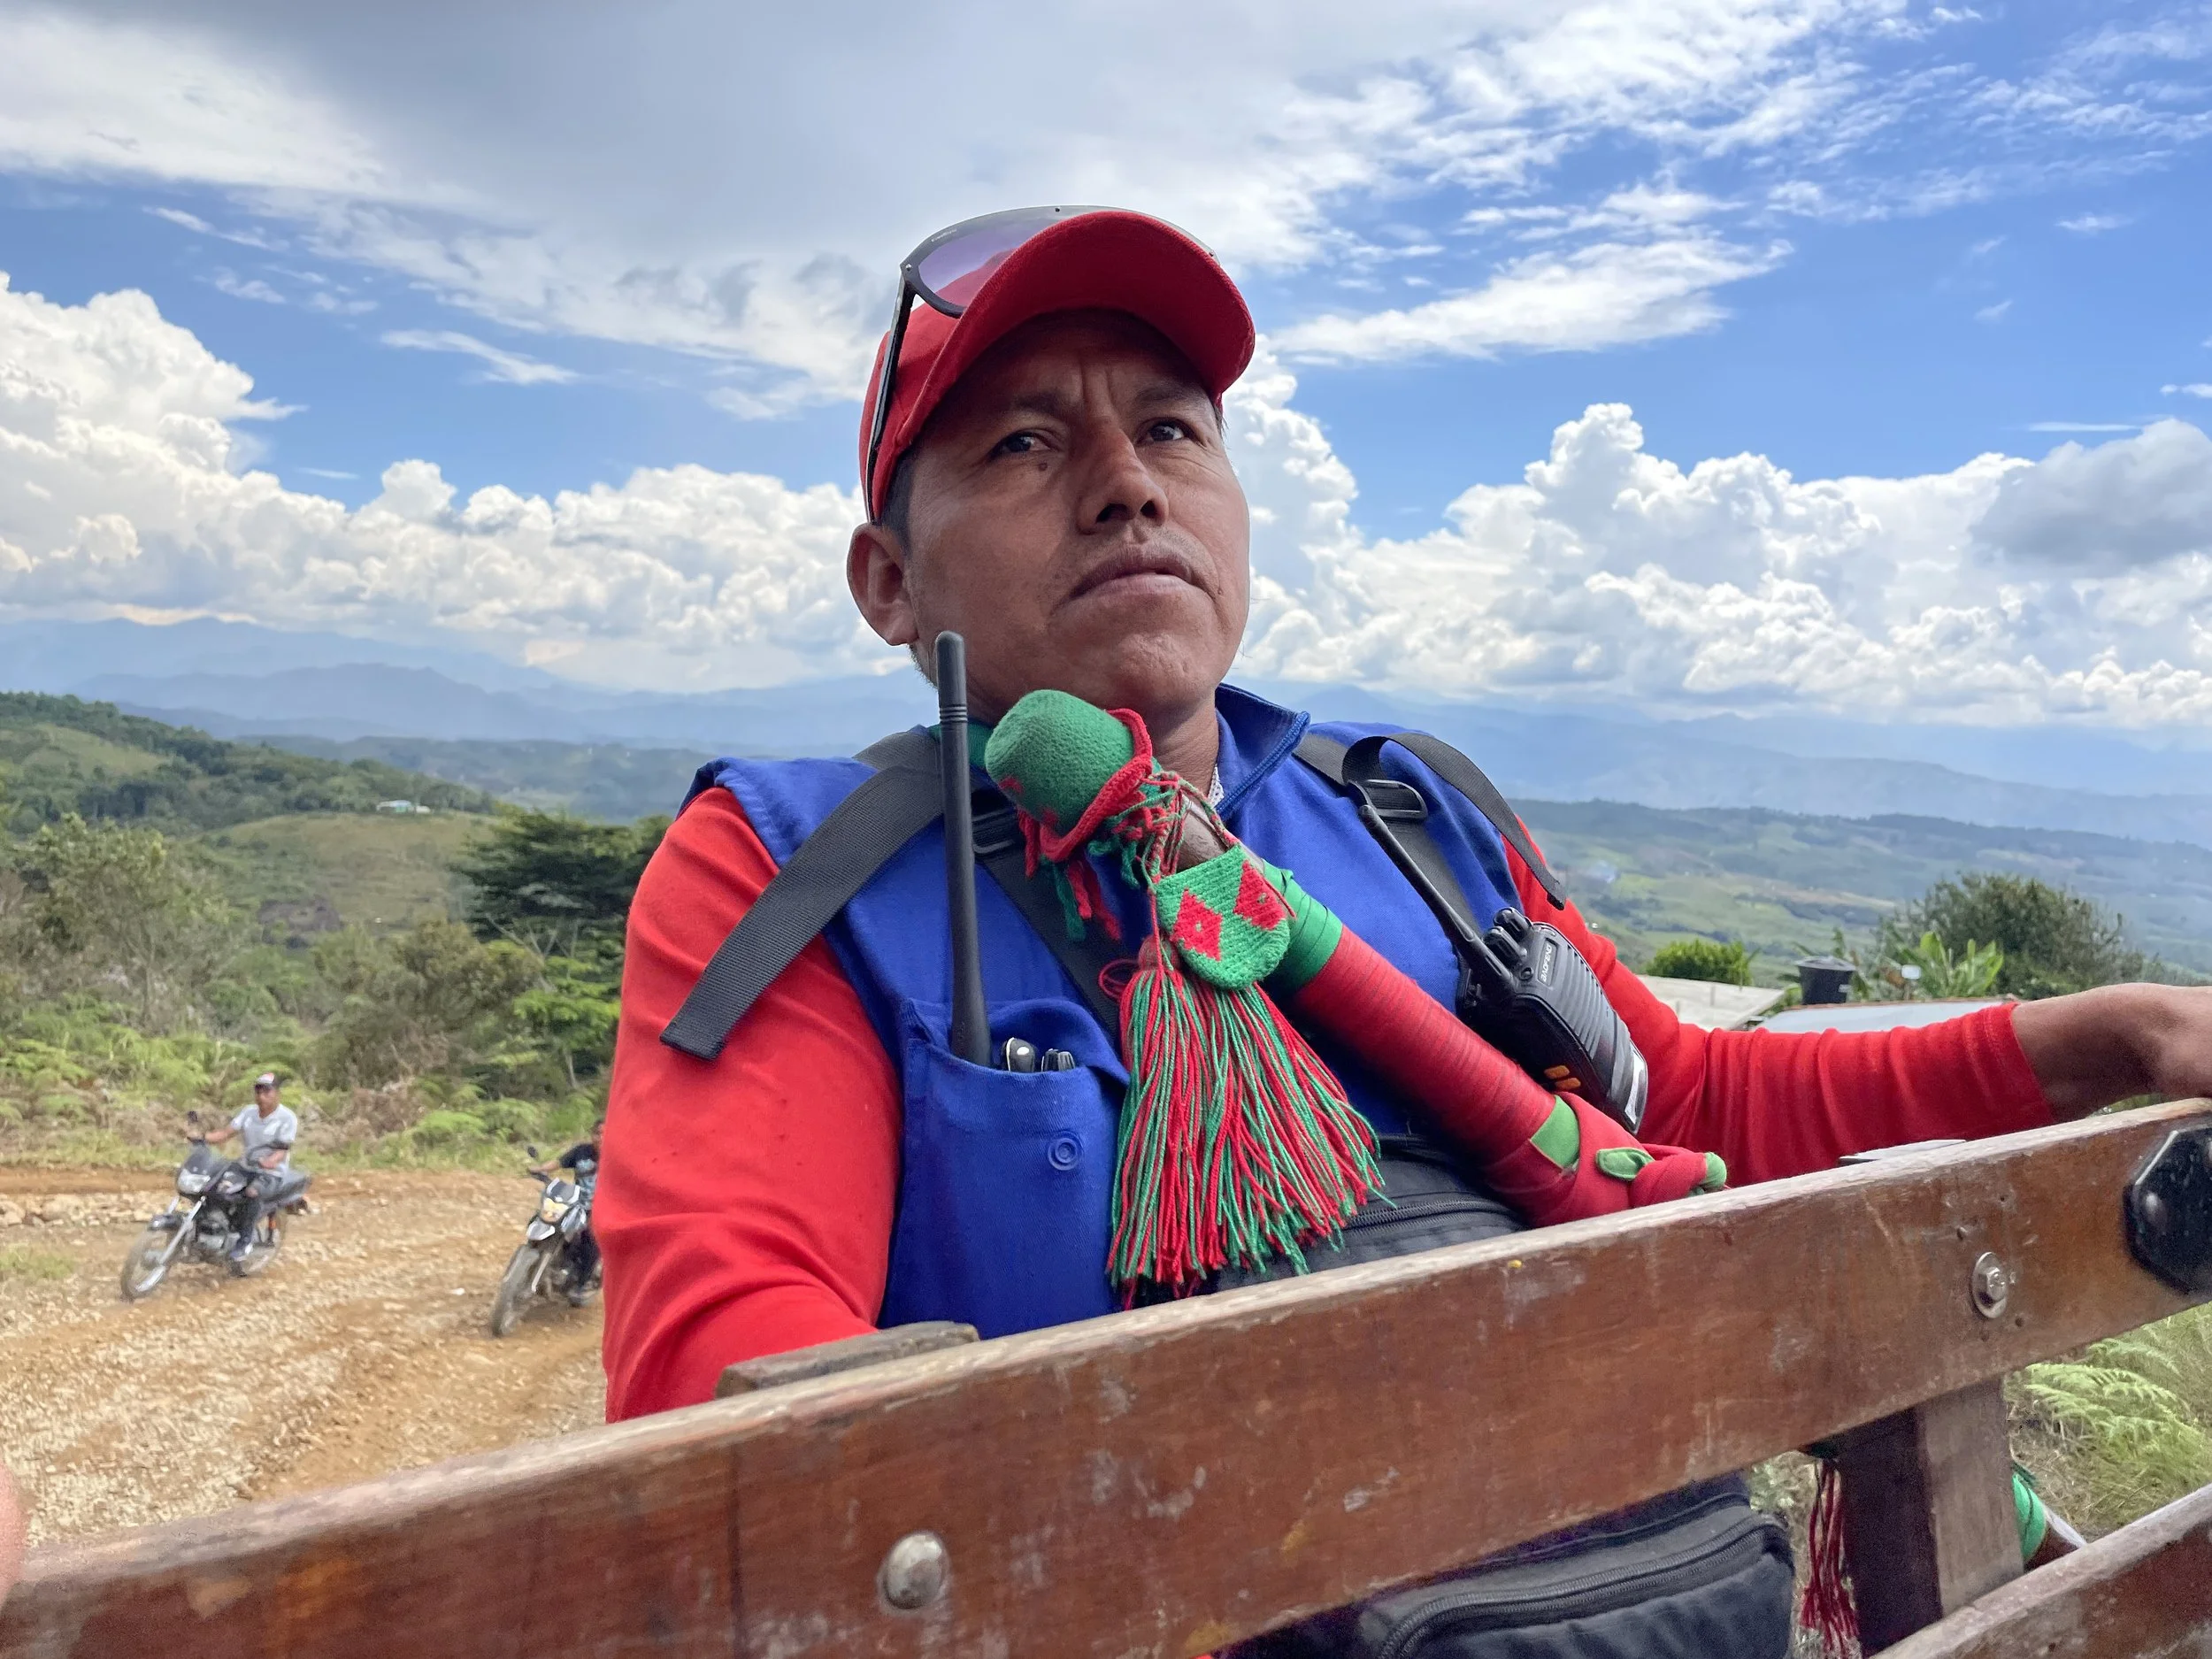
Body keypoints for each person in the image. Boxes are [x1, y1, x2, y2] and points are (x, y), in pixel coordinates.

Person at [596, 207, 2212, 1653]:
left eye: (1172, 428)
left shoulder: (1410, 815)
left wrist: (2115, 1033)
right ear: (888, 582)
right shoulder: (805, 871)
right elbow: (731, 1383)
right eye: (1024, 442)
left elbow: (1687, 1106)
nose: (1127, 482)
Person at [205, 1072, 300, 1262]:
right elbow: (225, 1133)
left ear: (277, 1093)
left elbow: (282, 1150)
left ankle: (245, 1241)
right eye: (258, 1091)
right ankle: (215, 1228)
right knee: (214, 1186)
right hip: (246, 1166)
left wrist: (271, 1161)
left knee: (252, 1193)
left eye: (267, 1091)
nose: (261, 1096)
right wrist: (202, 1138)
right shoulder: (248, 1112)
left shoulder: (287, 1118)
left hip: (271, 1172)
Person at [529, 1119, 603, 1305]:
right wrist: (540, 1169)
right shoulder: (582, 1151)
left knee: (590, 1241)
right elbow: (559, 1162)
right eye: (597, 1133)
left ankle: (582, 1284)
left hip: (601, 1209)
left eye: (606, 1134)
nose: (601, 1138)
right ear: (592, 1134)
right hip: (576, 1203)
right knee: (547, 1220)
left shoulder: (617, 1159)